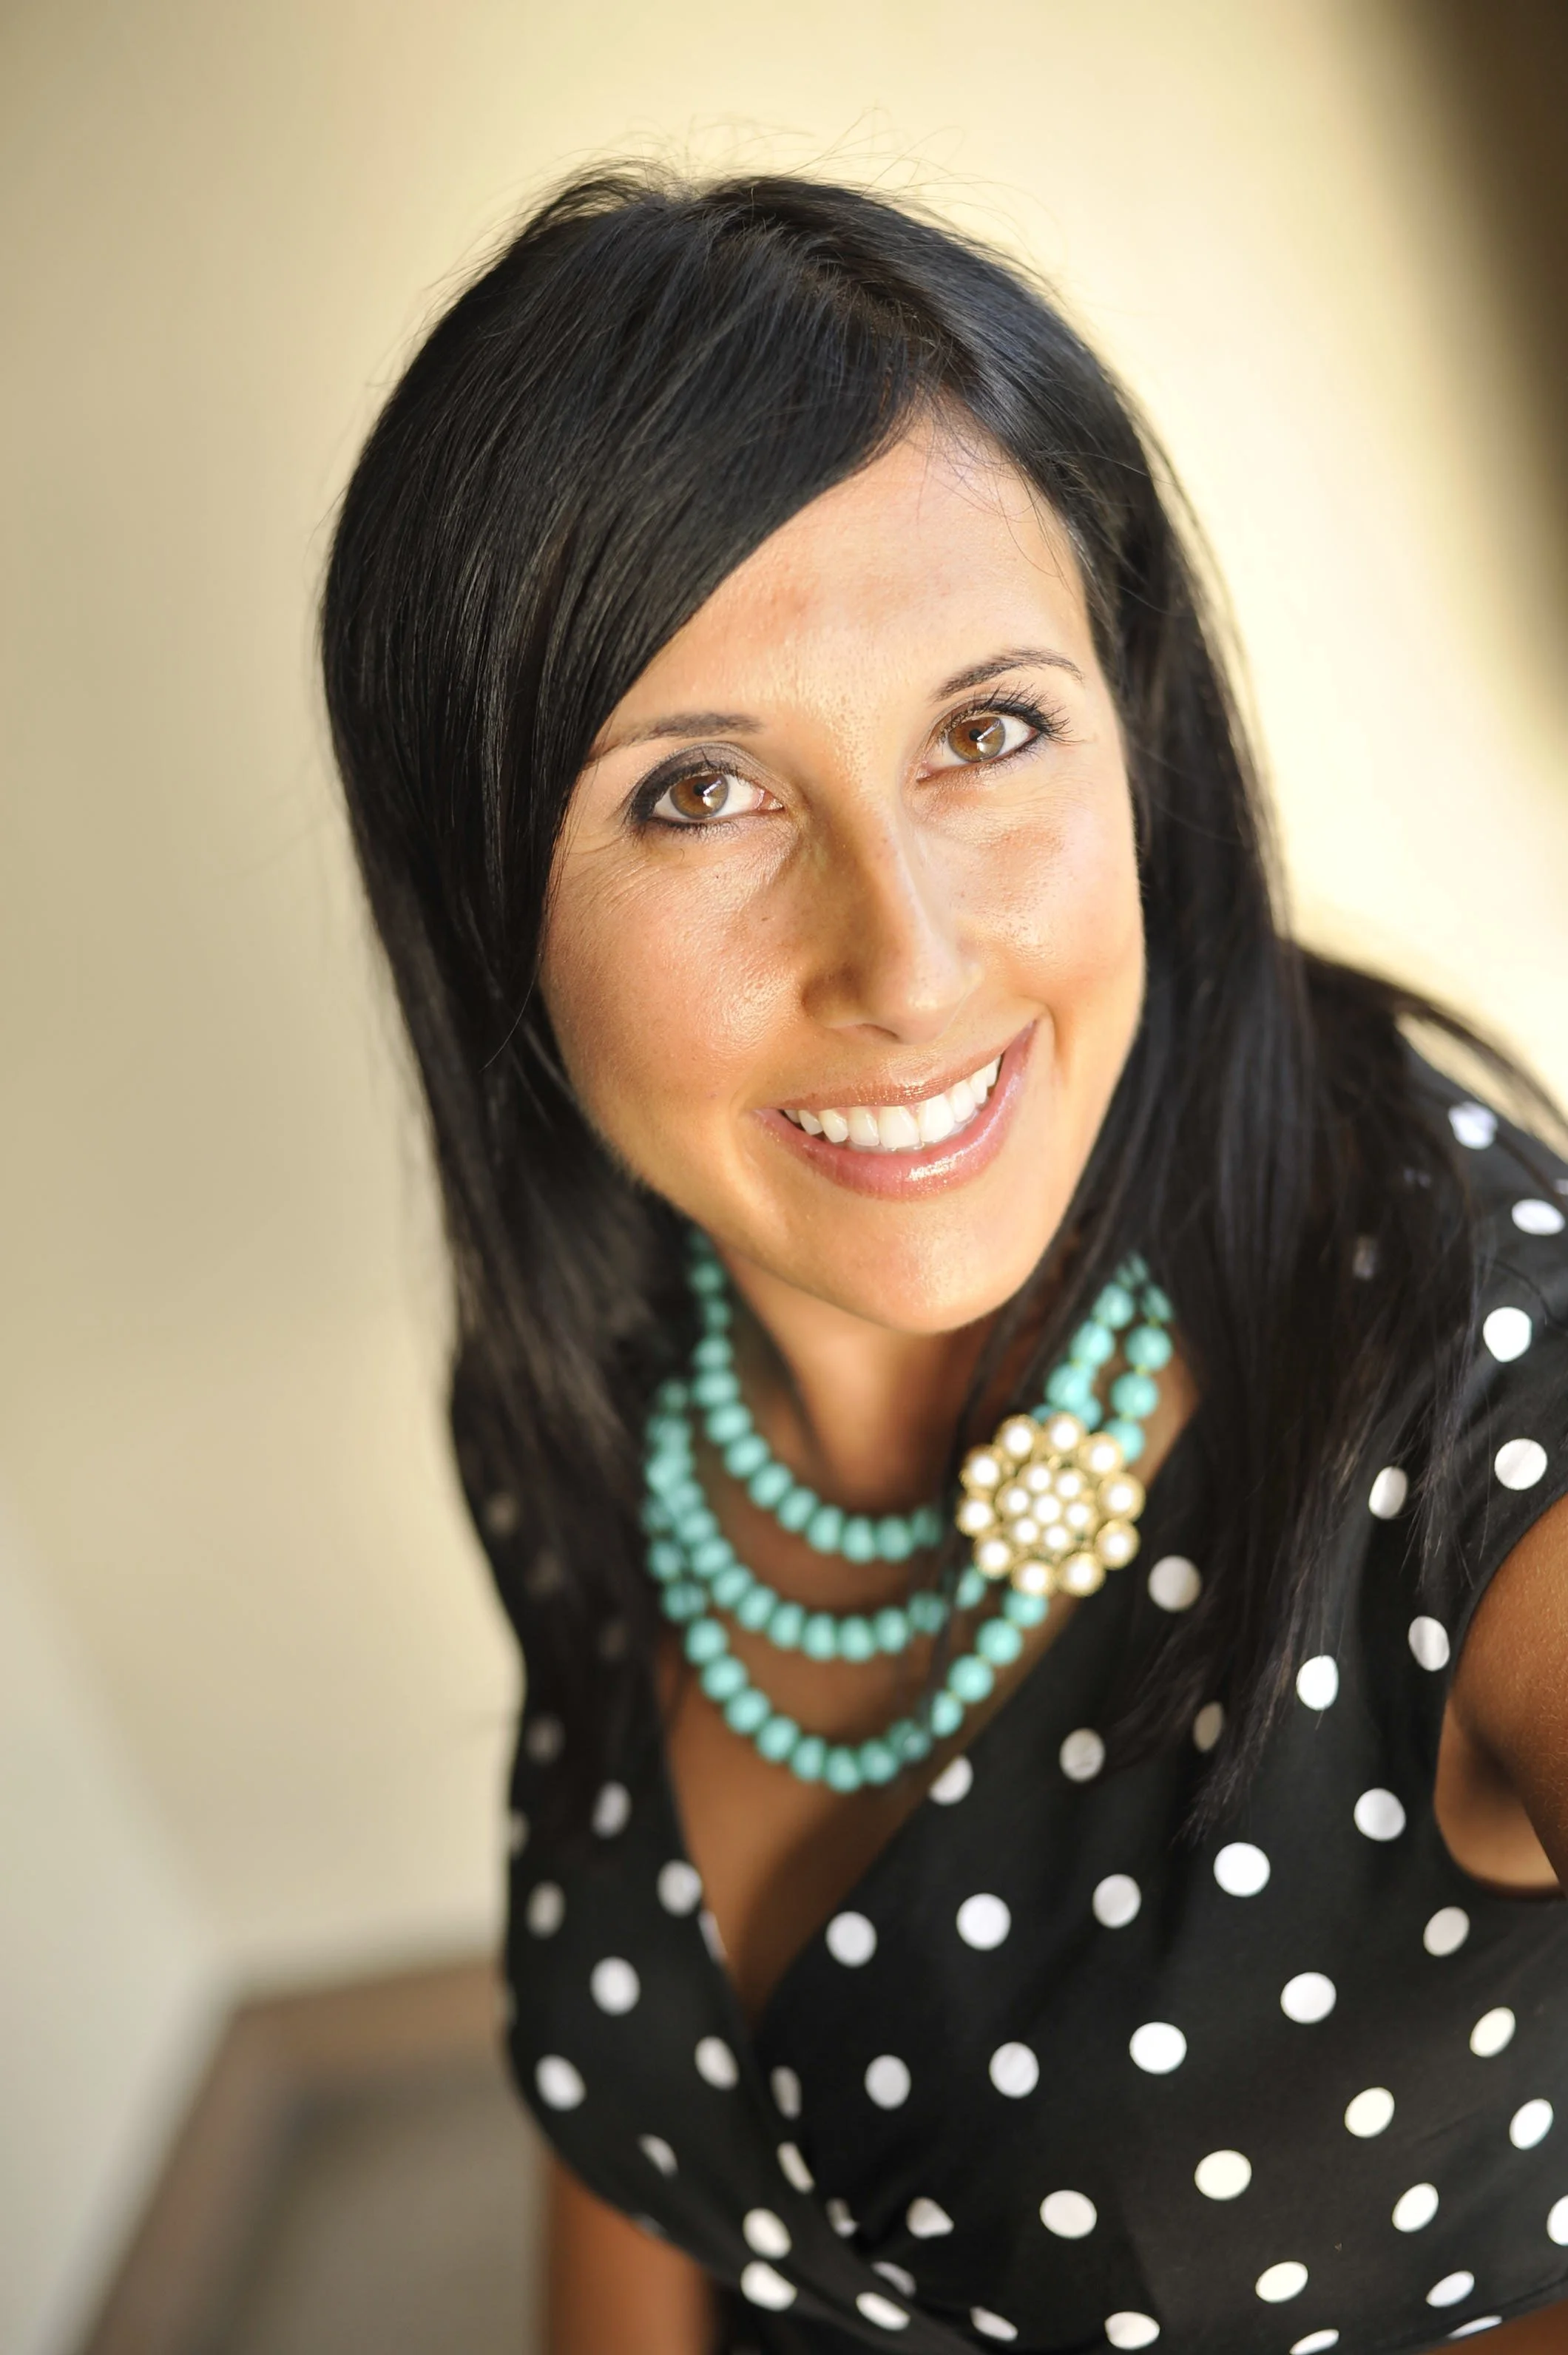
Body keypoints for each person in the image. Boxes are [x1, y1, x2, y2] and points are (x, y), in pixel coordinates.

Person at [320, 168, 1568, 2355]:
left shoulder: (1477, 1384)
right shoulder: (598, 1358)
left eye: (987, 732)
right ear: (487, 890)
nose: (903, 962)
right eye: (700, 794)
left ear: (1136, 734)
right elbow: (638, 2143)